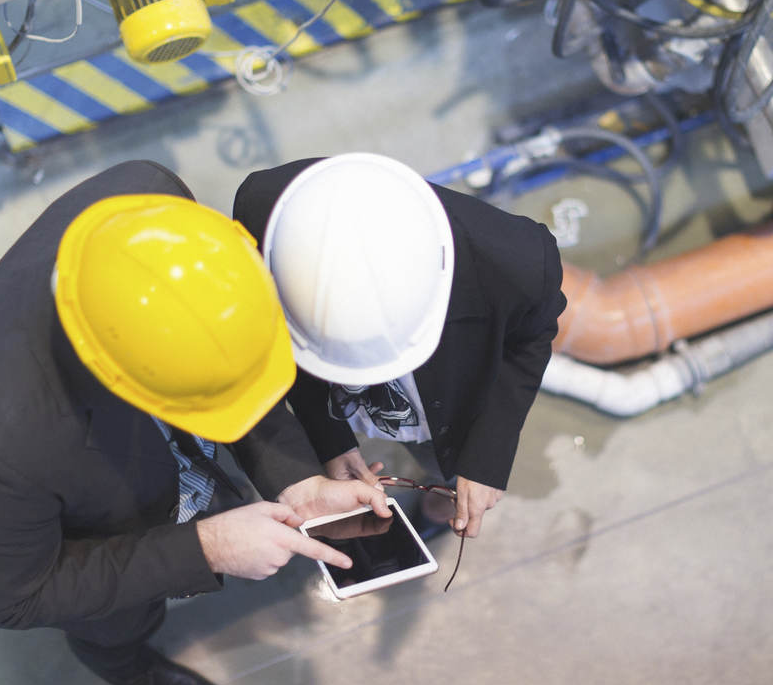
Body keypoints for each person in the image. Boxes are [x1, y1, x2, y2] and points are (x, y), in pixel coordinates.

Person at [0, 160, 389, 685]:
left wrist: (298, 482)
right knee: (116, 621)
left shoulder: (152, 203)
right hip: (98, 531)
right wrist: (205, 548)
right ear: (119, 377)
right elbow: (16, 593)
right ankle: (122, 663)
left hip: (149, 461)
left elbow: (223, 356)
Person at [233, 153, 566, 539]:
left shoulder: (519, 262)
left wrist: (485, 458)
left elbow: (530, 340)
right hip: (341, 404)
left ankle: (441, 499)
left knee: (449, 469)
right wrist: (330, 441)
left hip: (443, 411)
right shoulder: (267, 215)